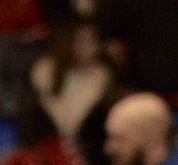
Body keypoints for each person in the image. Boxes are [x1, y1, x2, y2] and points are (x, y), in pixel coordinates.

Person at [29, 19, 116, 153]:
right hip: (46, 151)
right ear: (67, 41)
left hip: (90, 154)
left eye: (93, 41)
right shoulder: (44, 71)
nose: (90, 48)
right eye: (82, 41)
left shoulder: (103, 75)